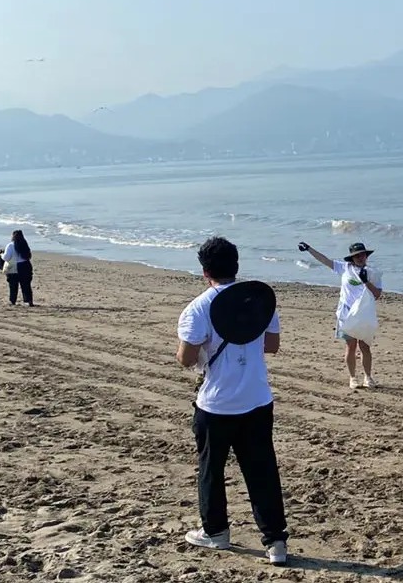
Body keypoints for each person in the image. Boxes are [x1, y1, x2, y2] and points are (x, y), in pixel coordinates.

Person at [175, 237, 288, 566]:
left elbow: (186, 358)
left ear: (204, 271)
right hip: (257, 398)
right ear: (236, 266)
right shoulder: (259, 299)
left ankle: (216, 532)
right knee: (262, 470)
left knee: (211, 469)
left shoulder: (198, 308)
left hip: (216, 404)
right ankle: (276, 542)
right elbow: (272, 345)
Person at [300, 241, 383, 389]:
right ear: (352, 258)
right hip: (346, 312)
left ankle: (368, 377)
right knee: (351, 346)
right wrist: (309, 249)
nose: (360, 258)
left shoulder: (373, 272)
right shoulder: (344, 268)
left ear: (366, 256)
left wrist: (366, 281)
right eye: (356, 256)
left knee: (365, 346)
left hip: (364, 314)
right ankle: (353, 378)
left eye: (362, 255)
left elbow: (377, 294)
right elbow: (324, 260)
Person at [0, 230, 34, 306]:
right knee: (26, 285)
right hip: (25, 266)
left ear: (13, 237)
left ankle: (13, 301)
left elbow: (6, 257)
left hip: (14, 266)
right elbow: (29, 256)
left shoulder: (10, 245)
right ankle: (29, 301)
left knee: (13, 285)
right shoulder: (25, 245)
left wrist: (1, 255)